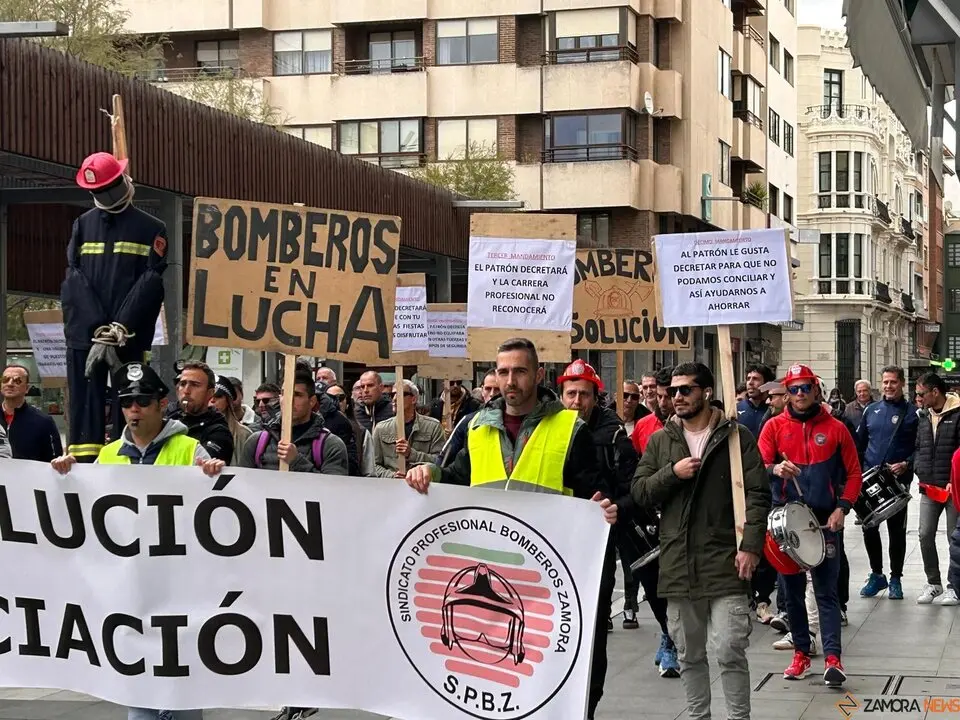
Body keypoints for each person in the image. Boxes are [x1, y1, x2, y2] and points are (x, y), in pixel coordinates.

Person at [405, 339, 616, 720]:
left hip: (549, 582)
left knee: (561, 674)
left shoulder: (571, 429)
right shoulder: (475, 428)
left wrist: (602, 509)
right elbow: (456, 477)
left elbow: (594, 493)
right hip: (491, 576)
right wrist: (430, 473)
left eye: (519, 371)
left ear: (538, 374)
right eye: (502, 372)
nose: (510, 380)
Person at [50, 361, 224, 720]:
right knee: (139, 696)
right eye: (127, 401)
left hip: (179, 592)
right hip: (129, 594)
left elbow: (218, 515)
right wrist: (65, 478)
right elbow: (85, 519)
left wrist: (213, 478)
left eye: (142, 400)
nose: (133, 408)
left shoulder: (190, 450)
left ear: (161, 403)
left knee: (183, 696)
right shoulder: (107, 455)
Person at [632, 362, 770, 720]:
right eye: (672, 391)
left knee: (729, 649)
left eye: (685, 390)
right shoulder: (662, 440)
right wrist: (672, 474)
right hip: (679, 563)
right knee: (688, 654)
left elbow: (757, 495)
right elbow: (640, 492)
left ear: (706, 392)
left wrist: (751, 546)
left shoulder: (737, 437)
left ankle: (739, 717)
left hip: (727, 559)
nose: (676, 397)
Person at [559, 360, 679, 683]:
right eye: (571, 393)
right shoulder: (554, 430)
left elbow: (634, 489)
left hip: (618, 527)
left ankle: (671, 639)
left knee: (646, 585)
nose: (576, 402)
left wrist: (616, 508)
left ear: (595, 397)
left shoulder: (613, 434)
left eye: (584, 394)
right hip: (570, 531)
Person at [757, 364, 862, 686]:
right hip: (785, 521)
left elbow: (854, 474)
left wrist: (842, 508)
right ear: (786, 392)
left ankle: (833, 659)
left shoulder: (837, 428)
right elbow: (756, 468)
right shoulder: (773, 427)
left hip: (824, 521)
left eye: (805, 387)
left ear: (816, 389)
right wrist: (775, 470)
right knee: (791, 592)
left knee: (826, 593)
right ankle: (801, 653)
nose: (800, 394)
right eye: (794, 388)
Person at [855, 365, 918, 600]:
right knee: (869, 527)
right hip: (869, 480)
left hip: (897, 482)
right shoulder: (871, 411)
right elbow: (859, 446)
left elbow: (920, 447)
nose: (888, 386)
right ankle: (876, 574)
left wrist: (907, 463)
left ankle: (895, 578)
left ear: (901, 383)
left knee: (896, 532)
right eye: (885, 382)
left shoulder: (913, 413)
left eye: (893, 382)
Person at [239, 368, 348, 475]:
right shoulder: (256, 442)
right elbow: (243, 484)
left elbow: (333, 489)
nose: (289, 400)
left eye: (297, 395)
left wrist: (296, 461)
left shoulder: (331, 445)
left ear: (312, 401)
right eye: (284, 393)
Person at [914, 372, 960, 605]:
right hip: (929, 486)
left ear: (935, 392)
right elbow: (919, 446)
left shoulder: (958, 413)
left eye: (922, 394)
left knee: (955, 538)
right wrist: (918, 467)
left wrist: (956, 478)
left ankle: (955, 585)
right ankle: (934, 582)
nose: (919, 398)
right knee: (924, 534)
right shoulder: (923, 415)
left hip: (953, 489)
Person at [373, 379, 445, 477]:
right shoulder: (381, 428)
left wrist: (412, 454)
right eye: (392, 395)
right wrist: (391, 476)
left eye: (400, 394)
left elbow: (440, 462)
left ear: (413, 399)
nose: (394, 399)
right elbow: (373, 465)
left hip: (422, 486)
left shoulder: (433, 427)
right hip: (391, 487)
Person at [166, 361, 234, 463]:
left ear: (210, 393)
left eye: (195, 385)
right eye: (182, 384)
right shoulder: (164, 418)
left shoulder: (218, 431)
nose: (186, 390)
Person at [436, 368, 498, 467]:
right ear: (482, 390)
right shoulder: (469, 421)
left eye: (497, 389)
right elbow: (444, 457)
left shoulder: (471, 405)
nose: (492, 394)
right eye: (488, 389)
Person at [1, 365, 63, 462]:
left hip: (30, 476)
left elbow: (54, 460)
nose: (10, 384)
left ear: (27, 388)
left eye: (17, 380)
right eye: (5, 379)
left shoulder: (44, 422)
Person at [209, 376, 252, 466]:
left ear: (228, 400)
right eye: (209, 396)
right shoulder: (194, 429)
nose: (212, 400)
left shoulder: (244, 434)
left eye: (218, 396)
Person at [630, 366, 673, 454]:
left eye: (652, 386)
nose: (663, 403)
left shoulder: (689, 423)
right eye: (645, 387)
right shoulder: (642, 424)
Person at [737, 364, 774, 438]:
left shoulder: (774, 410)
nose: (750, 383)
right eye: (748, 378)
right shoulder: (736, 409)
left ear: (767, 384)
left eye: (755, 379)